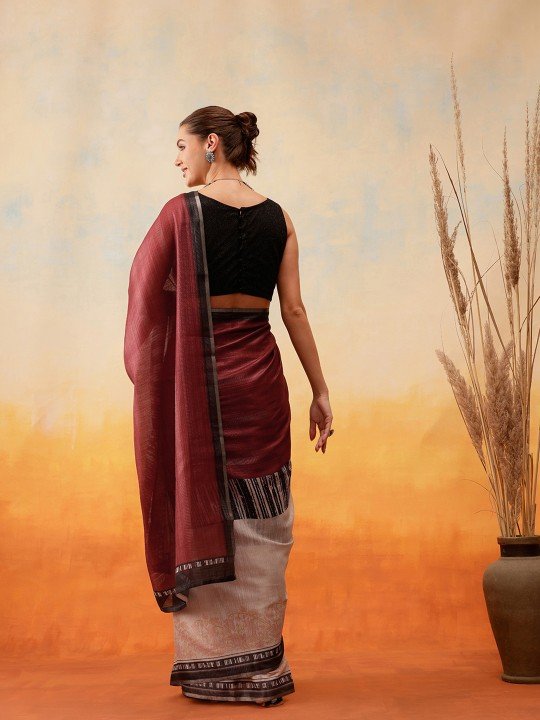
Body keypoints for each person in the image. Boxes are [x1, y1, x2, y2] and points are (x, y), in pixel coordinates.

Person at [124, 106, 333, 707]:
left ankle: (213, 668)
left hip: (202, 387)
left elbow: (144, 298)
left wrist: (153, 372)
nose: (177, 159)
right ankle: (263, 665)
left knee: (206, 504)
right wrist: (320, 390)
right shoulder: (280, 218)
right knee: (262, 518)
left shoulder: (179, 214)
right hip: (263, 382)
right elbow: (293, 311)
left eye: (182, 145)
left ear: (212, 143)